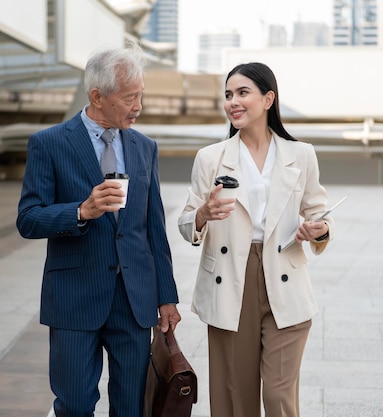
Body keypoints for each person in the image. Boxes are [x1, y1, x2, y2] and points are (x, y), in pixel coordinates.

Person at [17, 44, 181, 417]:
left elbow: (154, 230)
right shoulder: (49, 143)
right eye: (129, 97)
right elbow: (28, 218)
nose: (138, 105)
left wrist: (166, 297)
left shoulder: (145, 148)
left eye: (141, 95)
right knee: (74, 406)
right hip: (74, 299)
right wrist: (81, 211)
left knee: (131, 407)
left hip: (134, 301)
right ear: (97, 96)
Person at [177, 62, 335, 417]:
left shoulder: (301, 154)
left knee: (279, 397)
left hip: (285, 276)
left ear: (268, 99)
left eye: (242, 93)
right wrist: (203, 215)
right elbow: (187, 222)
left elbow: (320, 213)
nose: (233, 101)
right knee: (235, 398)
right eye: (228, 95)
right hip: (231, 279)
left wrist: (318, 230)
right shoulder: (210, 158)